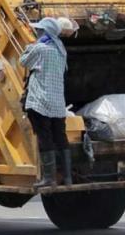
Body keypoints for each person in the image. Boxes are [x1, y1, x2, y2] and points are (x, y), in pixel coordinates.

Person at [21, 17, 76, 188]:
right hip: (58, 103)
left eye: (39, 30)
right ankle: (67, 178)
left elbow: (23, 62)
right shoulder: (61, 50)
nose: (37, 32)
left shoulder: (40, 48)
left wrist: (29, 48)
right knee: (60, 137)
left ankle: (49, 178)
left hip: (40, 102)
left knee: (45, 138)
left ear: (45, 32)